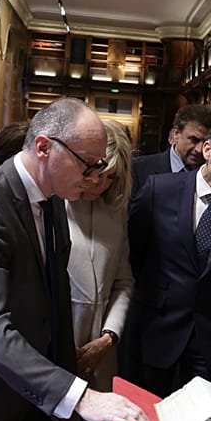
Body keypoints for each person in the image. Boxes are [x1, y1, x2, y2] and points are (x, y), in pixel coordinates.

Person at [0, 97, 153, 421]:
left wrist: (66, 382)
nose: (93, 177)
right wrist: (78, 396)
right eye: (87, 164)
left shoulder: (51, 198)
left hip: (33, 395)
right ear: (43, 148)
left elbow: (55, 299)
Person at [123, 117, 211, 397]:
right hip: (157, 330)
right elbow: (132, 254)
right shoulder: (159, 190)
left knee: (204, 420)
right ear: (208, 150)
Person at [66, 120, 134, 396]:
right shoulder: (55, 203)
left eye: (111, 177)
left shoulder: (115, 210)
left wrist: (109, 336)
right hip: (59, 344)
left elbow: (123, 281)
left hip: (102, 348)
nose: (100, 184)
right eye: (97, 172)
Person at [130, 104, 211, 195]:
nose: (199, 149)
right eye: (194, 140)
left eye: (206, 143)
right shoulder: (139, 169)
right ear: (176, 134)